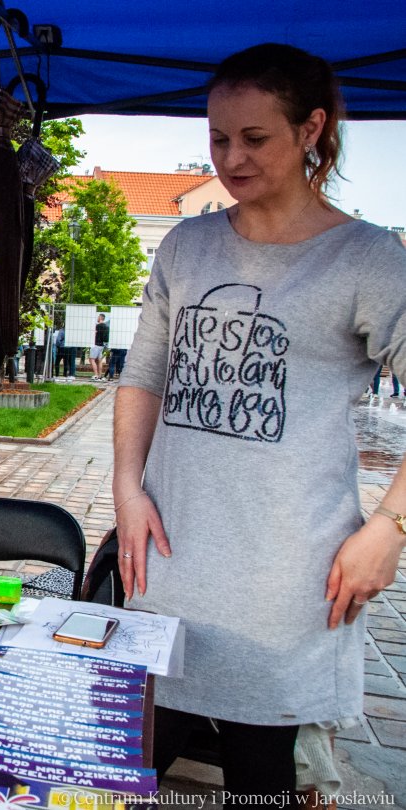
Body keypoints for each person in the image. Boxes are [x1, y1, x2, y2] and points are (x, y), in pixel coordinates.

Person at [112, 44, 406, 803]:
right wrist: (125, 487)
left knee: (260, 777)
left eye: (254, 138)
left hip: (287, 577)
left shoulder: (366, 259)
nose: (231, 158)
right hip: (170, 559)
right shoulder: (187, 243)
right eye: (217, 138)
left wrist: (390, 527)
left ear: (312, 129)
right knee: (124, 765)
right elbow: (143, 375)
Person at [90, 313, 108, 380]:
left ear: (100, 318)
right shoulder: (106, 326)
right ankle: (100, 375)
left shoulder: (97, 326)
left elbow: (94, 334)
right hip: (102, 345)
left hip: (96, 344)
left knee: (92, 359)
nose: (97, 318)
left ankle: (96, 375)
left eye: (98, 317)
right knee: (100, 361)